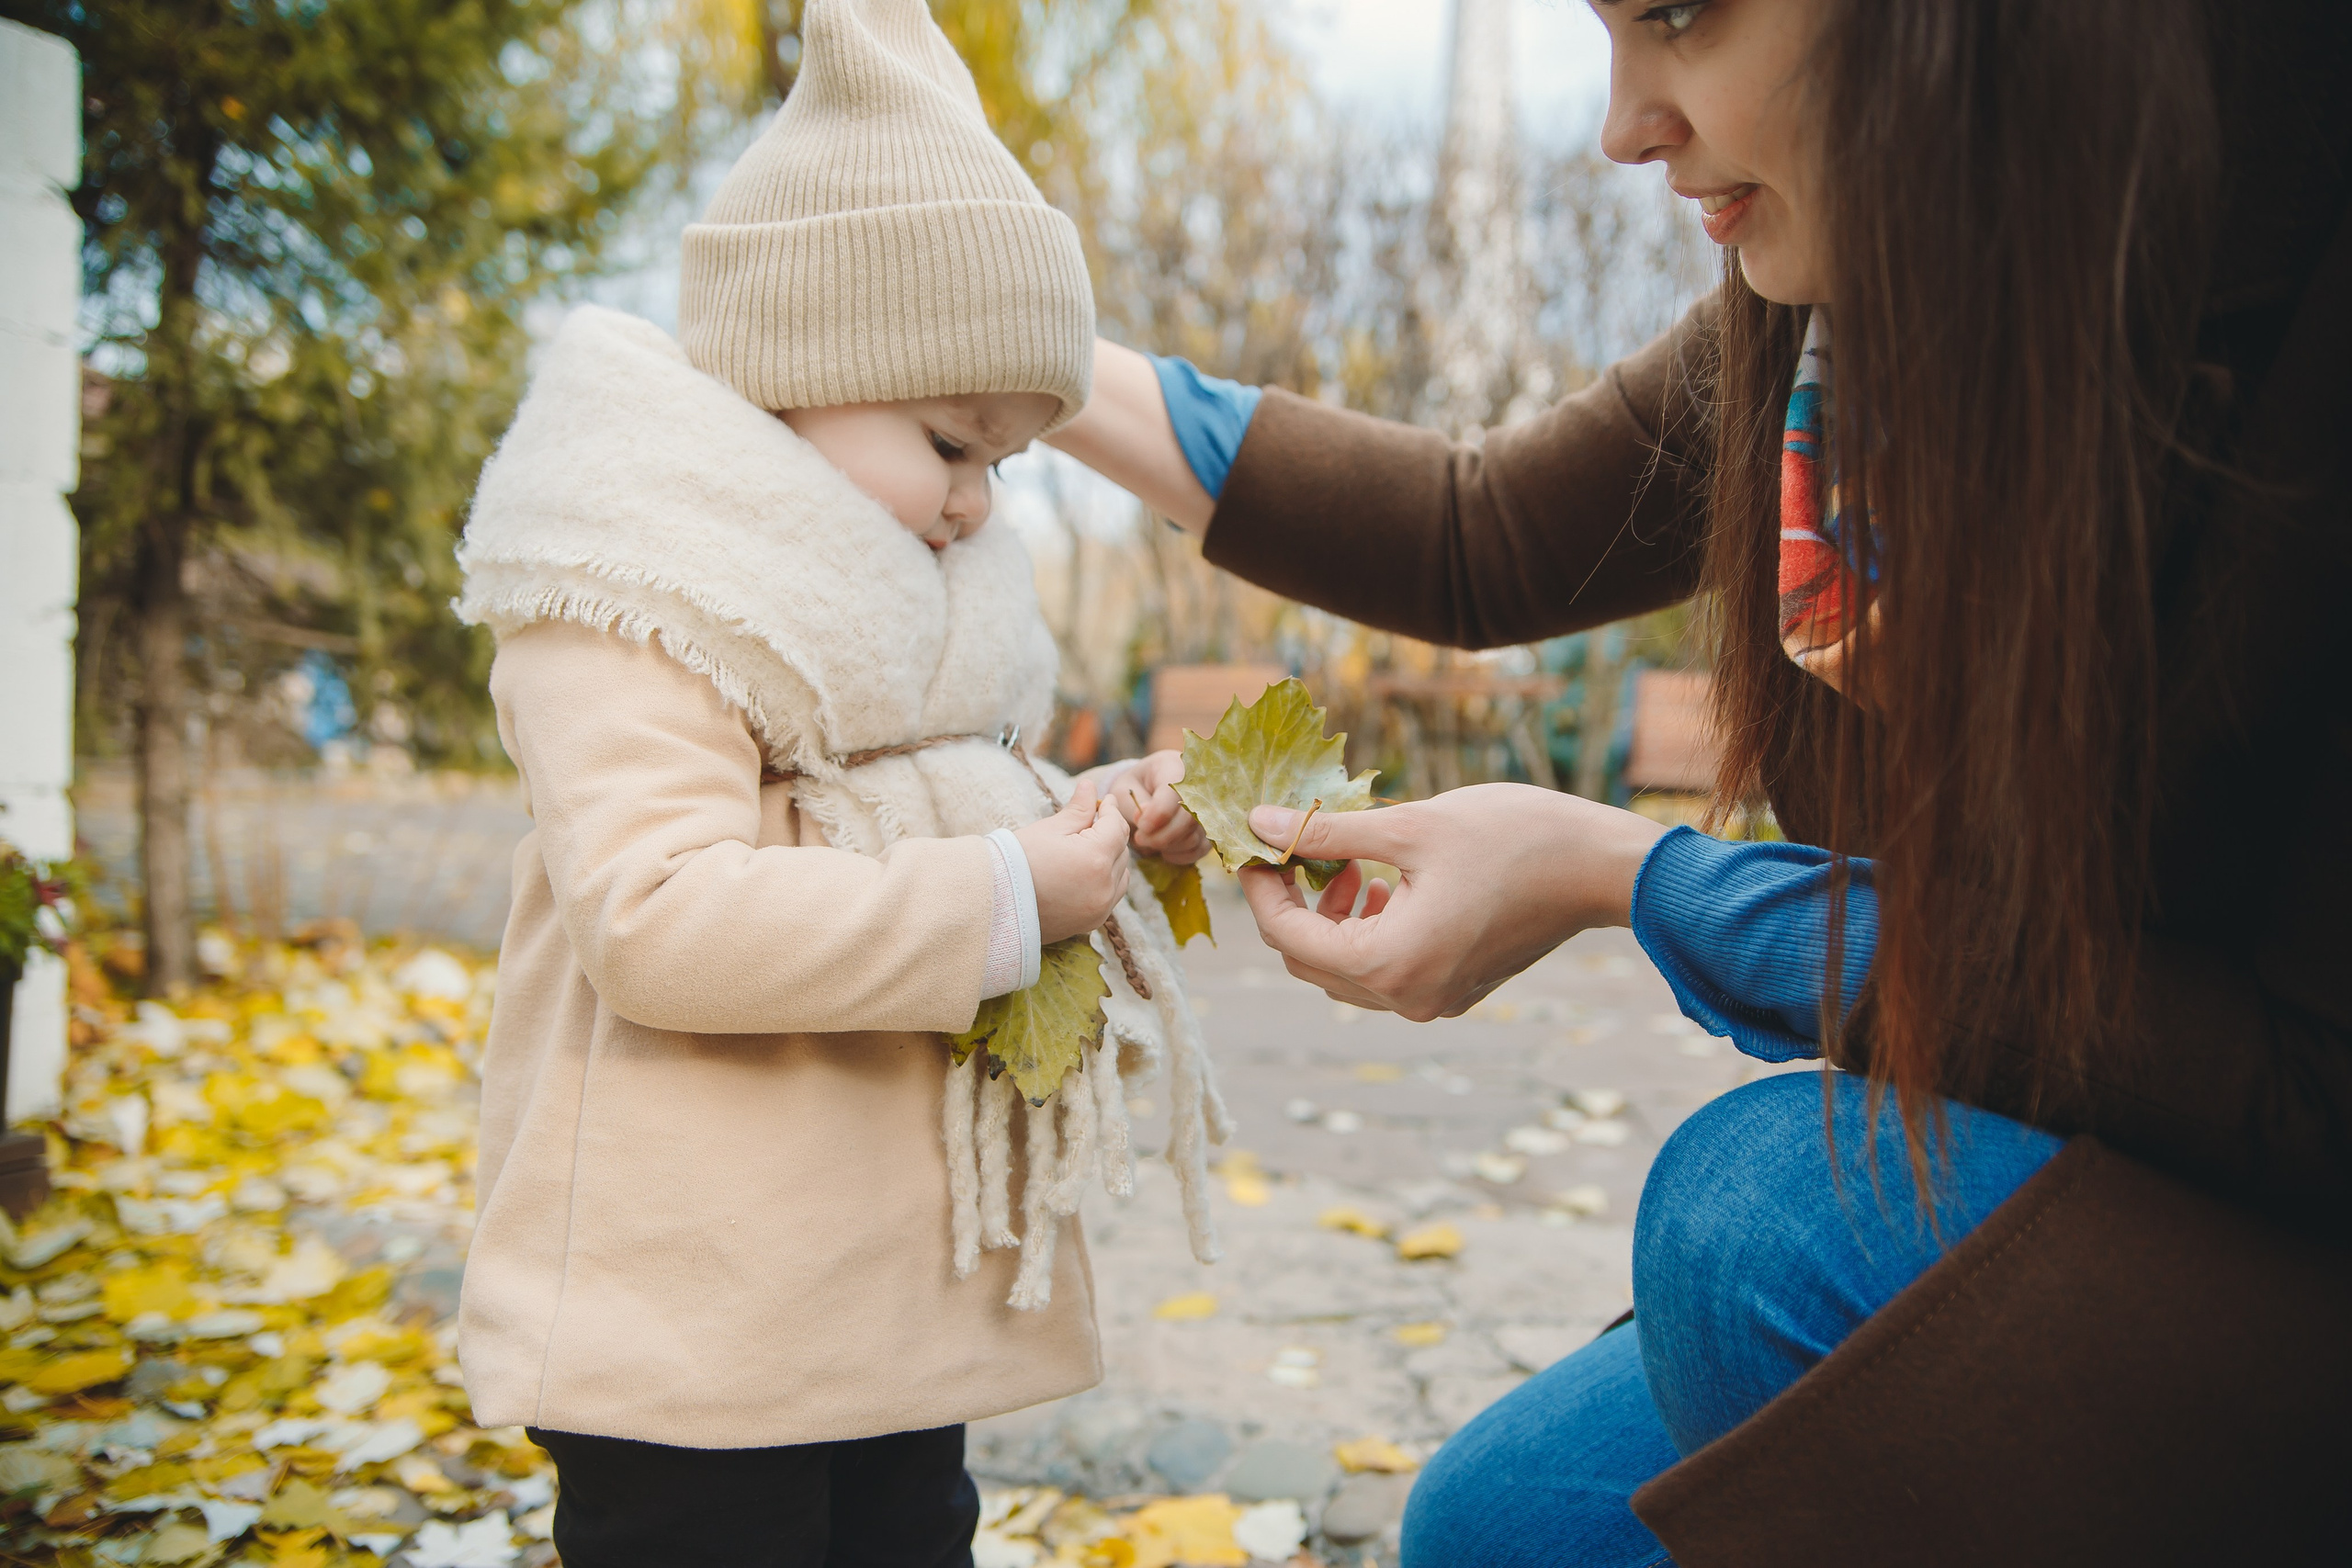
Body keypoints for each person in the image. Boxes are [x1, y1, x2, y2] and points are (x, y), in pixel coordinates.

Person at [1050, 0, 2352, 1561]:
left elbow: (2307, 1082)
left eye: (1678, 17)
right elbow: (1481, 527)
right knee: (1502, 1526)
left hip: (2289, 1210)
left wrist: (1631, 879)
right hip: (2120, 1163)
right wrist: (1035, 365)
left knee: (1757, 1225)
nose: (1623, 123)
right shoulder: (1831, 326)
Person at [448, 4, 1223, 1563]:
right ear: (802, 365)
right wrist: (1004, 896)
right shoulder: (642, 595)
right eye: (950, 440)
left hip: (871, 1317)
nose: (974, 501)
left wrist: (1089, 821)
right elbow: (656, 919)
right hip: (694, 1331)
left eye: (1006, 463)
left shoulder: (899, 621)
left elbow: (927, 810)